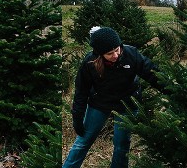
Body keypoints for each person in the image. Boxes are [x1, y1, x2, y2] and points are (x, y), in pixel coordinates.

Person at [63, 26, 162, 168]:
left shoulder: (131, 54)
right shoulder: (90, 63)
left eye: (117, 50)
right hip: (100, 103)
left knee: (122, 144)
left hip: (127, 104)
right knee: (83, 141)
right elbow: (81, 92)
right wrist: (77, 117)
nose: (116, 55)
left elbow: (153, 74)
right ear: (99, 54)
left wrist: (174, 90)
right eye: (110, 53)